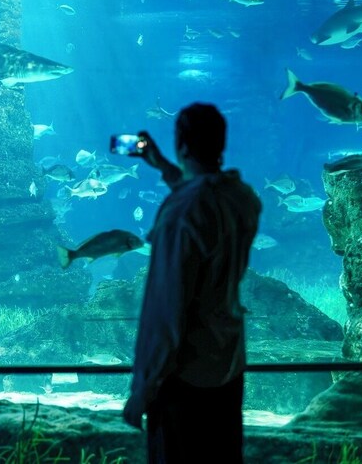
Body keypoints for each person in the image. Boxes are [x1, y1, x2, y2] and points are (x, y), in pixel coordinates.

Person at [122, 103, 261, 463]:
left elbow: (167, 310)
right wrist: (164, 167)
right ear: (221, 144)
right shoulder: (242, 199)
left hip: (183, 378)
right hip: (227, 366)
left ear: (182, 144)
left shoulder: (180, 213)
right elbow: (207, 199)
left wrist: (144, 386)